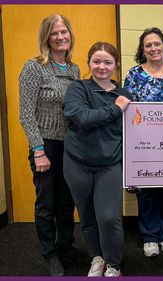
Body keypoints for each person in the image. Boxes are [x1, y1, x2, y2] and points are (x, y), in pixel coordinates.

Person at [19, 14, 80, 276]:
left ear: (70, 35)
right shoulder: (34, 67)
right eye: (54, 32)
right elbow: (26, 113)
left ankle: (65, 246)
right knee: (46, 204)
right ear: (46, 37)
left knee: (67, 202)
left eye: (64, 32)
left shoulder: (75, 69)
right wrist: (38, 150)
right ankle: (50, 254)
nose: (60, 37)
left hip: (71, 147)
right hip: (45, 145)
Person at [63, 42, 131, 277]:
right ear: (89, 62)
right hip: (77, 162)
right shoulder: (78, 88)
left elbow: (133, 132)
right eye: (97, 61)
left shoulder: (124, 95)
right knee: (87, 215)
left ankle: (113, 263)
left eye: (108, 62)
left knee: (109, 217)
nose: (102, 66)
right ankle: (97, 257)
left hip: (109, 164)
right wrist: (115, 109)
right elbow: (81, 117)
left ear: (116, 65)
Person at [123, 27, 163, 258]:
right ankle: (149, 236)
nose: (153, 48)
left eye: (157, 44)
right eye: (148, 45)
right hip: (143, 144)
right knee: (146, 191)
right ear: (142, 50)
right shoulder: (133, 74)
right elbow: (125, 109)